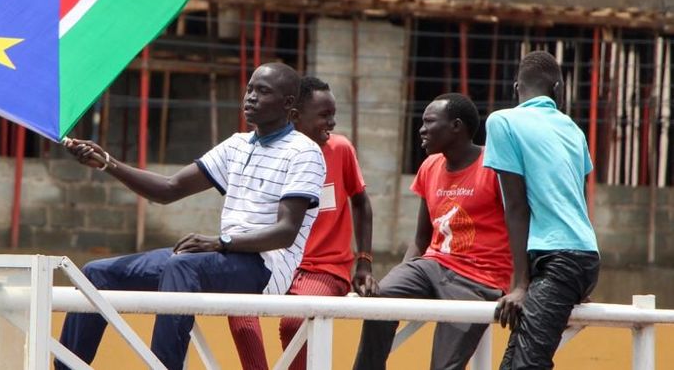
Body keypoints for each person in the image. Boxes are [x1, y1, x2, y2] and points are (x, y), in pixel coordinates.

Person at [55, 62, 326, 370]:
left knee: (183, 266)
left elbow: (285, 232)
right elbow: (169, 189)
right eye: (249, 88)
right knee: (96, 274)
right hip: (224, 258)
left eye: (263, 92)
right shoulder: (237, 145)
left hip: (264, 268)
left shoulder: (304, 153)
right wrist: (108, 163)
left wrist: (220, 243)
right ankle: (65, 366)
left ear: (288, 104)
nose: (250, 97)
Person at [353, 93, 512, 370]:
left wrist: (523, 285)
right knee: (380, 301)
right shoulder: (430, 166)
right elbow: (420, 239)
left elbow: (522, 225)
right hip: (432, 265)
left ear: (456, 126)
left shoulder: (494, 167)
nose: (421, 129)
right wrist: (401, 277)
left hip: (479, 280)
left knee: (444, 366)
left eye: (429, 122)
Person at [227, 76, 375, 370]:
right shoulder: (263, 153)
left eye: (333, 114)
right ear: (294, 116)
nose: (332, 123)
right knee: (239, 311)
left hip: (323, 268)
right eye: (324, 115)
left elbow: (361, 203)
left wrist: (364, 261)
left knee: (296, 321)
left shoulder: (341, 149)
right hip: (272, 262)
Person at [484, 51, 600, 369]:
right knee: (513, 364)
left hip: (559, 261)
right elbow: (574, 201)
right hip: (580, 257)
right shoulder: (574, 130)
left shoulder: (503, 121)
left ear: (515, 87)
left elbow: (517, 207)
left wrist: (520, 285)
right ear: (558, 89)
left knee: (526, 364)